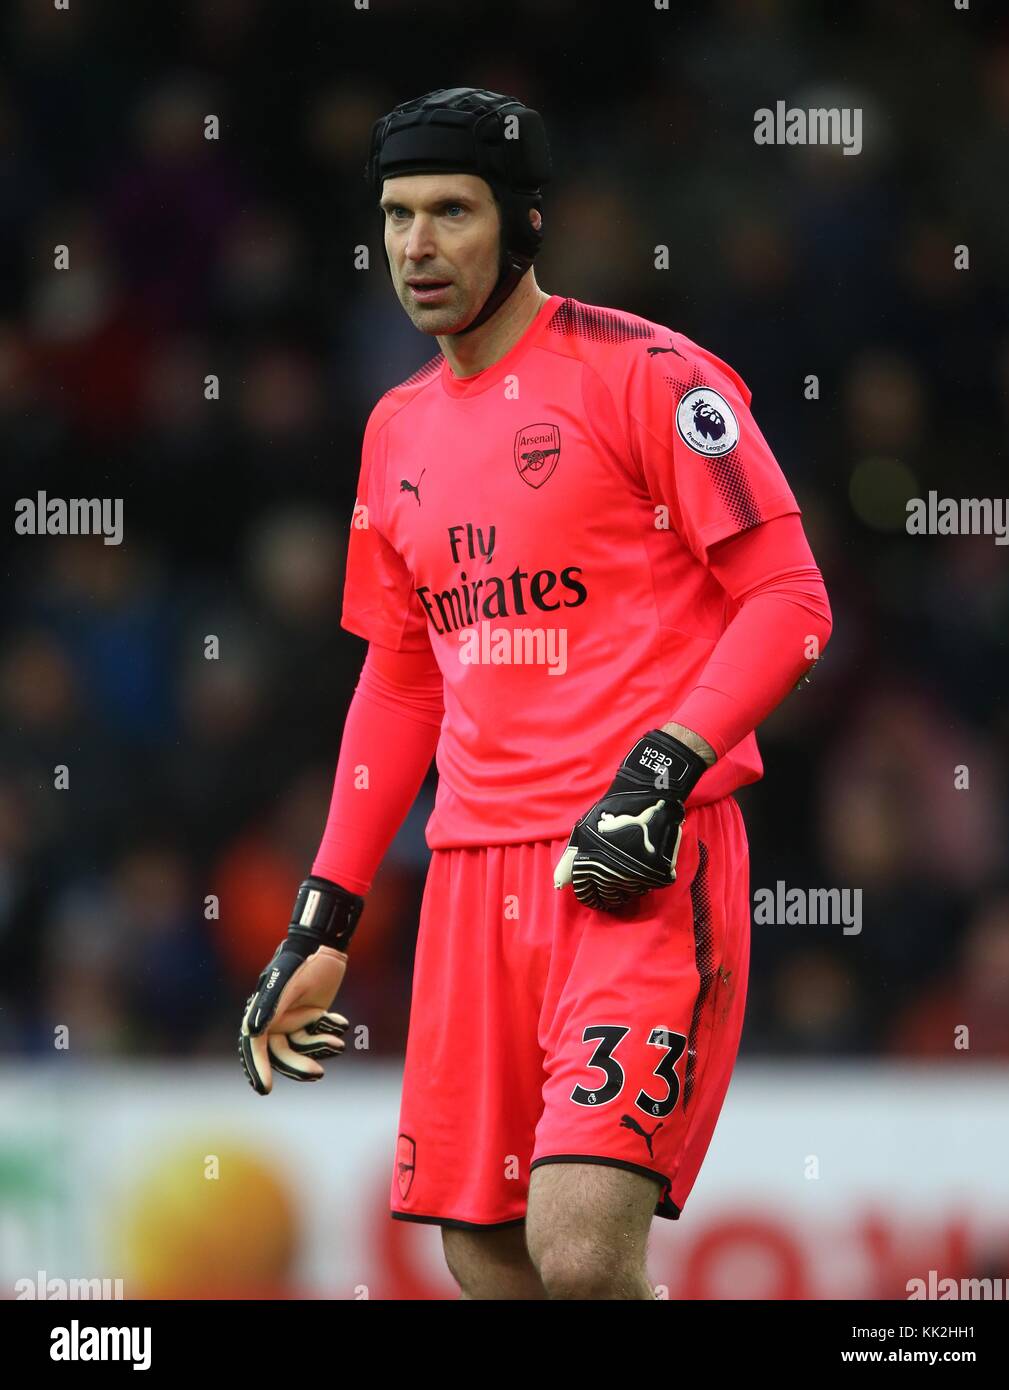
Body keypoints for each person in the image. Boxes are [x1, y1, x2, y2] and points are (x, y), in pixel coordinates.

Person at [238, 87, 833, 1301]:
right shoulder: (394, 430)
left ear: (523, 227)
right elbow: (402, 681)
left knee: (578, 1241)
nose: (417, 245)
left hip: (631, 866)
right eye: (398, 215)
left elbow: (791, 601)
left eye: (451, 211)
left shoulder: (649, 375)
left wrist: (661, 768)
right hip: (470, 882)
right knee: (488, 1257)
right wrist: (325, 915)